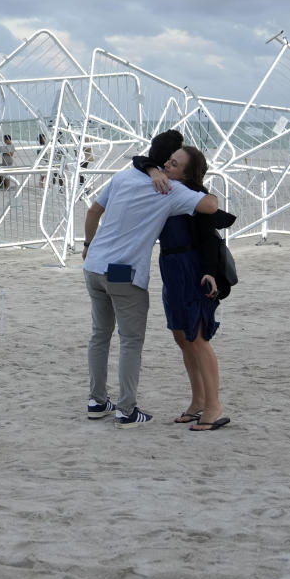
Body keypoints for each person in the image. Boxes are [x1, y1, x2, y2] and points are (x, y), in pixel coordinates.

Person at [82, 130, 218, 427]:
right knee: (130, 340)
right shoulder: (167, 188)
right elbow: (210, 206)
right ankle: (127, 409)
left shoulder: (122, 177)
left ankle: (96, 400)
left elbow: (94, 211)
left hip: (93, 264)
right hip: (121, 269)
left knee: (100, 335)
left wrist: (87, 244)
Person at [136, 146, 235, 431]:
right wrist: (154, 169)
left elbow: (207, 236)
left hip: (192, 268)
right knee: (181, 337)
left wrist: (208, 272)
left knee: (198, 337)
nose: (167, 164)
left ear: (187, 173)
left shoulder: (193, 198)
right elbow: (141, 159)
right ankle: (198, 401)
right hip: (170, 266)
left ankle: (214, 406)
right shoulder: (165, 184)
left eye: (174, 163)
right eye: (168, 160)